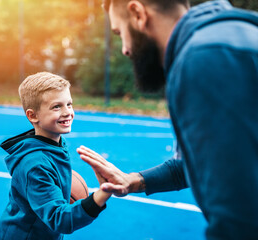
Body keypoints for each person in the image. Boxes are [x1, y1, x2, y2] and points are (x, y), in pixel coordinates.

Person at [77, 0, 258, 239]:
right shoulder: (229, 39)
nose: (125, 49)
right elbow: (202, 160)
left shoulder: (204, 59)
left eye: (120, 33)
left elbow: (240, 218)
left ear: (138, 13)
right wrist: (134, 181)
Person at [0, 72, 111, 240]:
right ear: (32, 115)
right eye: (57, 106)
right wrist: (102, 194)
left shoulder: (54, 144)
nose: (67, 112)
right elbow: (59, 218)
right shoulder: (35, 164)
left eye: (69, 104)